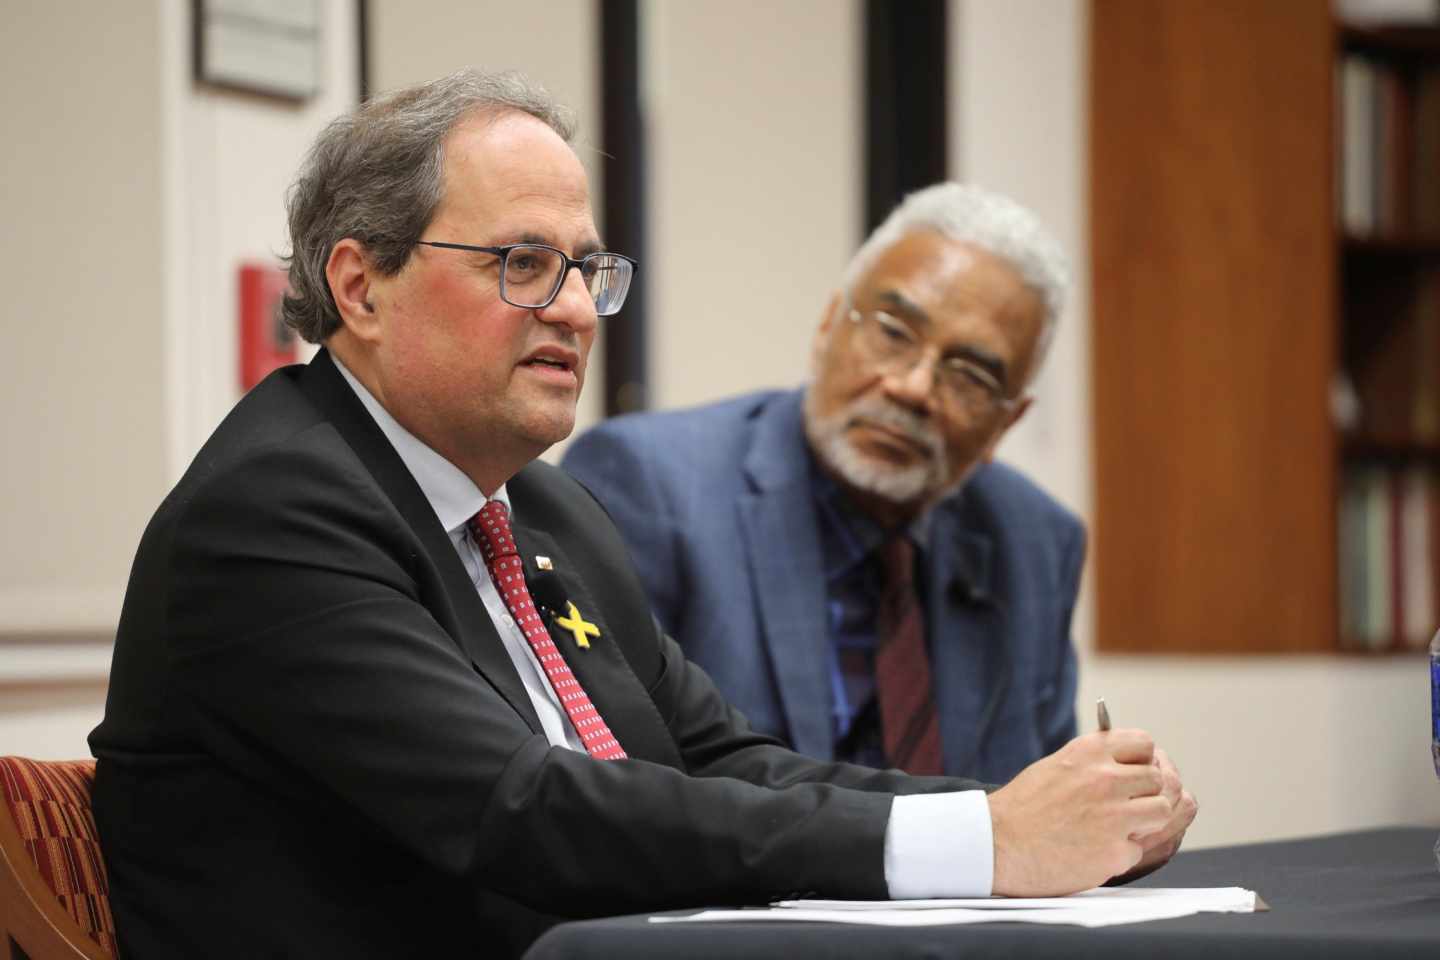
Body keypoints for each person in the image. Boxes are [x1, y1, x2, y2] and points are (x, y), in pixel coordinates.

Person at [89, 69, 1195, 960]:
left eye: (584, 269)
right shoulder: (274, 512)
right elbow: (527, 809)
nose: (574, 308)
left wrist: (1036, 816)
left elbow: (718, 762)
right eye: (523, 263)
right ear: (360, 286)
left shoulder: (541, 511)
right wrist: (983, 842)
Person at [563, 182, 1079, 784]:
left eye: (968, 374)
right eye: (893, 331)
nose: (913, 387)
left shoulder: (1036, 542)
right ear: (830, 323)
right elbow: (626, 791)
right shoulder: (648, 486)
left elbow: (1044, 808)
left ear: (1006, 421)